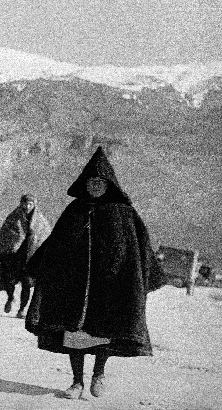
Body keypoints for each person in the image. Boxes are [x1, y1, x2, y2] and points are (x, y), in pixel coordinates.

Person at [25, 147, 165, 399]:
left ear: (109, 184)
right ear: (84, 184)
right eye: (91, 182)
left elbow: (139, 247)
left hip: (109, 287)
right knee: (74, 336)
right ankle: (77, 382)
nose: (95, 186)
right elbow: (55, 244)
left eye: (100, 182)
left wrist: (143, 277)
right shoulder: (74, 211)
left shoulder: (123, 212)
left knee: (104, 333)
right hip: (75, 288)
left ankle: (99, 375)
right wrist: (37, 268)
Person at [0, 194, 52, 319]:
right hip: (14, 256)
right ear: (21, 204)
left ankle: (22, 309)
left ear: (34, 205)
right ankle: (10, 298)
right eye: (25, 203)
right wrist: (0, 247)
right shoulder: (13, 218)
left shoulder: (40, 221)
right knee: (9, 279)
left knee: (27, 283)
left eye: (30, 204)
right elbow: (4, 233)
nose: (27, 206)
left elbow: (45, 236)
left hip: (31, 257)